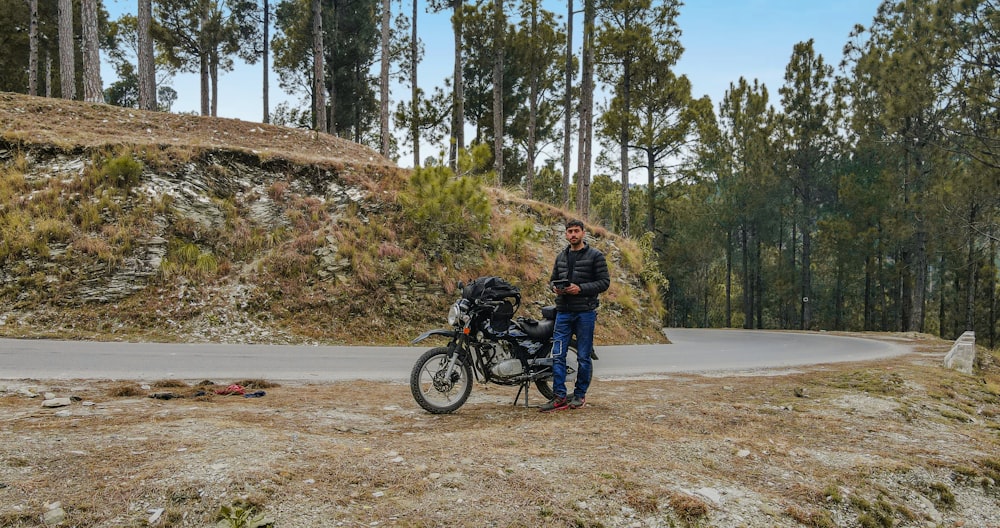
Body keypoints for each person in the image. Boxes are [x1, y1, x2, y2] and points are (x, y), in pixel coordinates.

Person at [540, 219, 610, 412]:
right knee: (557, 354)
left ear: (583, 233)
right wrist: (555, 288)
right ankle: (559, 396)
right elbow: (552, 280)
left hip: (585, 313)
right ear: (565, 234)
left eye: (576, 231)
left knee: (583, 357)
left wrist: (580, 289)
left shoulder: (595, 256)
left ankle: (579, 395)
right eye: (569, 231)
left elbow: (604, 282)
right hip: (563, 312)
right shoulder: (561, 256)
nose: (573, 234)